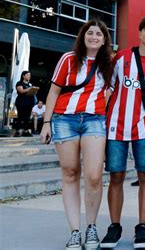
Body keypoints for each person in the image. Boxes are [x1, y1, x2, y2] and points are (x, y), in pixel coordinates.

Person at [40, 19, 113, 250]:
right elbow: (53, 91)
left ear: (104, 40)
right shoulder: (68, 59)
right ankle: (74, 231)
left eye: (98, 34)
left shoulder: (109, 63)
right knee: (70, 172)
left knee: (93, 175)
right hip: (64, 120)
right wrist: (46, 122)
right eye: (89, 33)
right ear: (83, 36)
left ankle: (91, 227)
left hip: (94, 120)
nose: (93, 37)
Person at [100, 15, 145, 249]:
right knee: (116, 176)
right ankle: (114, 226)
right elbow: (107, 89)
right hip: (116, 127)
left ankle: (142, 226)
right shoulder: (121, 57)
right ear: (139, 33)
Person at [14, 70, 38, 137]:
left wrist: (34, 90)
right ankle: (17, 131)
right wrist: (30, 88)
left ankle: (26, 131)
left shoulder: (30, 84)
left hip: (29, 102)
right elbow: (21, 91)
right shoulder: (19, 83)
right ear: (23, 76)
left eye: (29, 75)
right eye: (27, 75)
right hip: (21, 102)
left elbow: (32, 92)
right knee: (20, 116)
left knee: (27, 118)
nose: (29, 76)